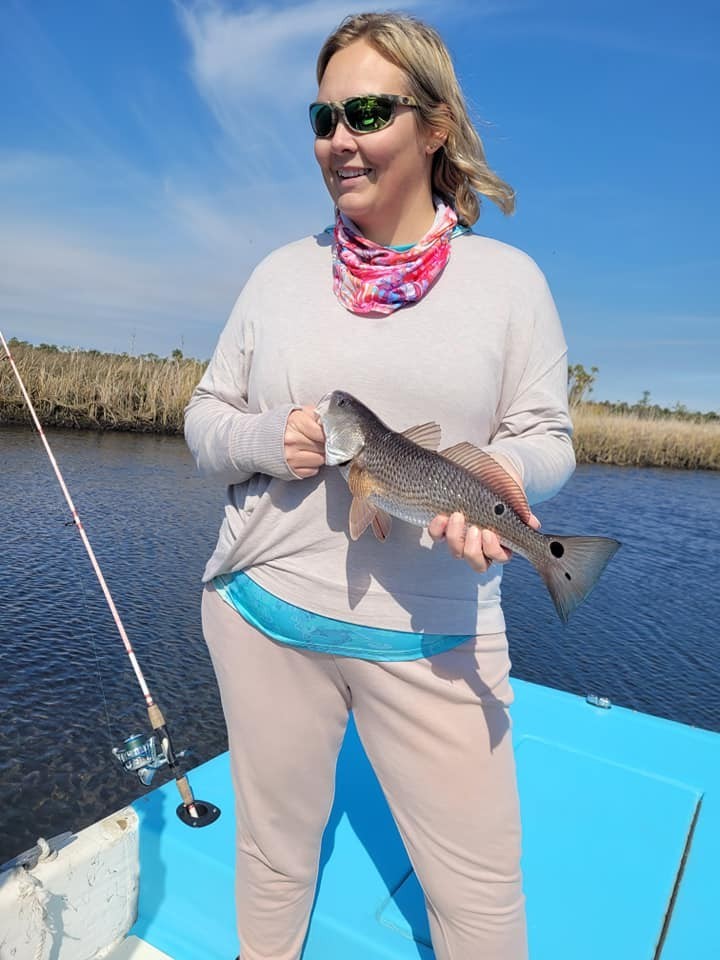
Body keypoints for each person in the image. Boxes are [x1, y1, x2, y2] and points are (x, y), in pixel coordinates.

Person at [185, 11, 574, 960]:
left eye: (365, 111)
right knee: (272, 860)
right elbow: (203, 422)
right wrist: (267, 441)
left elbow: (546, 434)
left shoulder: (508, 283)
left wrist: (500, 483)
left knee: (482, 907)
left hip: (438, 638)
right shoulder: (278, 275)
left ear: (433, 127)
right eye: (323, 118)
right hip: (264, 616)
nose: (339, 141)